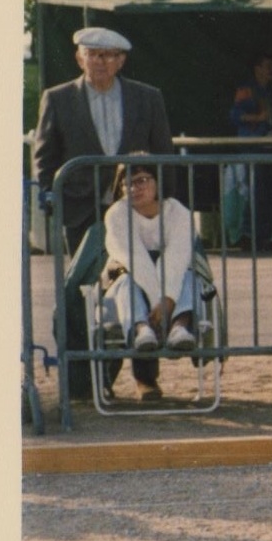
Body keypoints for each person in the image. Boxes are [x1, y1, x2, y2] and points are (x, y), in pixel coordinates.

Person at [34, 26, 174, 210]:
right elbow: (45, 157)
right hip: (78, 209)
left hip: (136, 207)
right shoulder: (57, 98)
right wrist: (52, 200)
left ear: (121, 61)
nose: (100, 62)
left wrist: (163, 200)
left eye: (108, 55)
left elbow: (164, 152)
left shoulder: (148, 97)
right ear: (79, 59)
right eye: (92, 54)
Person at [97, 164, 203, 397]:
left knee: (189, 276)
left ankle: (179, 328)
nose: (135, 188)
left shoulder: (178, 212)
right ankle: (141, 329)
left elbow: (177, 256)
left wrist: (167, 300)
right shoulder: (116, 213)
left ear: (158, 181)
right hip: (130, 278)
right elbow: (133, 257)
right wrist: (159, 301)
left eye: (142, 180)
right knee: (126, 283)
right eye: (127, 184)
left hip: (170, 291)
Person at [225, 53, 272, 249]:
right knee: (255, 193)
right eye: (267, 66)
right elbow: (235, 116)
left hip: (269, 149)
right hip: (254, 148)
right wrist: (258, 118)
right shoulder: (246, 90)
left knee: (269, 194)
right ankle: (247, 235)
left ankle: (264, 236)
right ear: (257, 68)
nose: (271, 71)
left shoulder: (269, 92)